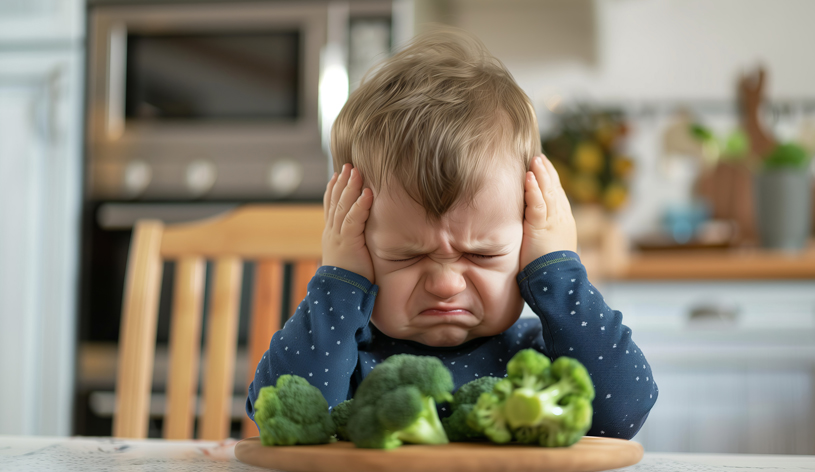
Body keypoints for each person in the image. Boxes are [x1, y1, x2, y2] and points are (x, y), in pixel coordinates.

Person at [246, 29, 657, 439]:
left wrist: (559, 272)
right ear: (360, 248)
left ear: (527, 247)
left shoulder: (542, 356)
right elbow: (280, 418)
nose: (445, 284)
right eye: (406, 255)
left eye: (481, 255)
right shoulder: (343, 355)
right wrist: (340, 281)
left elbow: (622, 416)